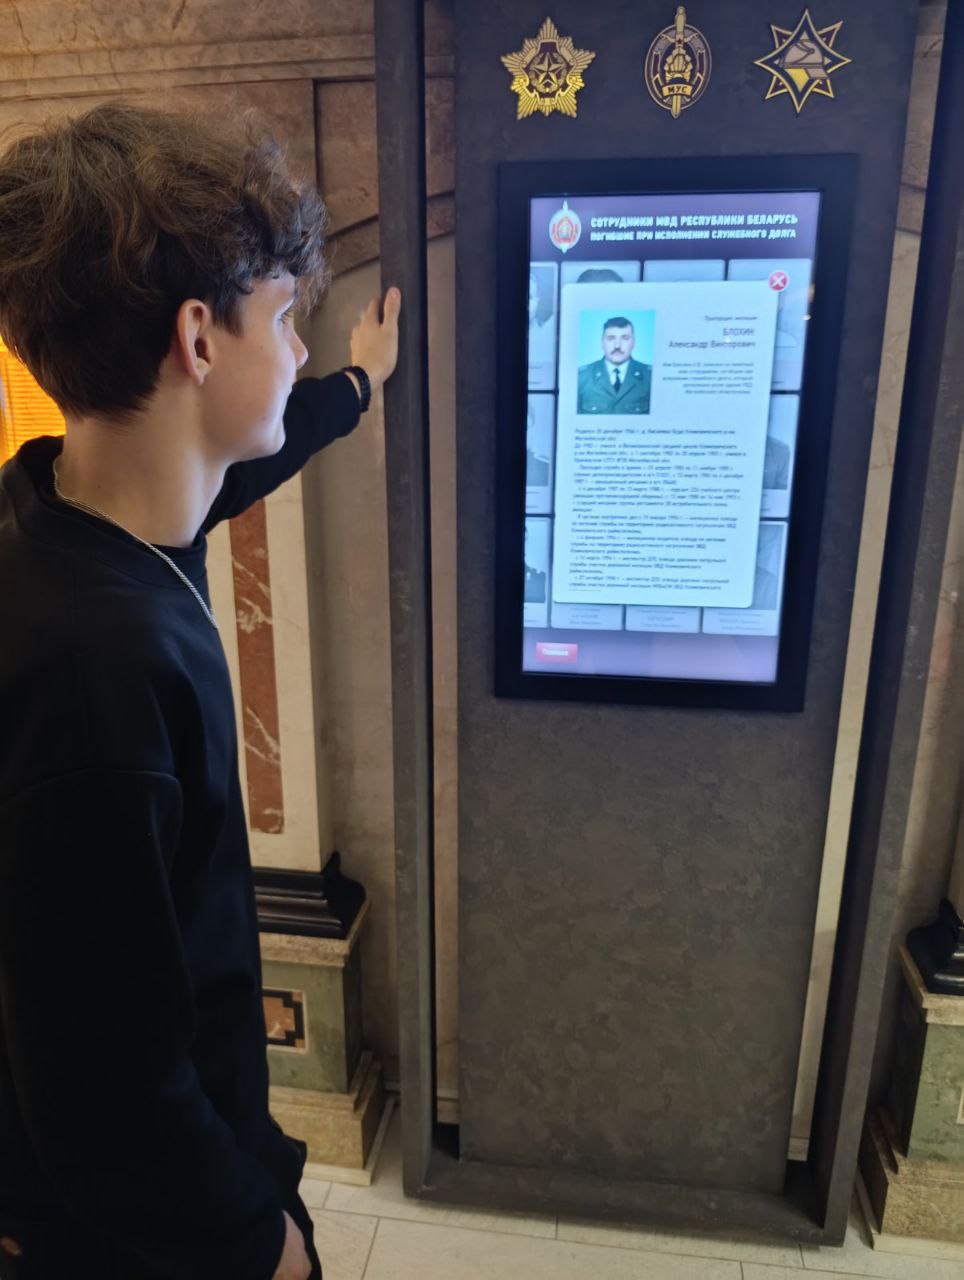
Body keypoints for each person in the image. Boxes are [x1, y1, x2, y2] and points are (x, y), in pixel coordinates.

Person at [0, 103, 400, 1280]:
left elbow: (241, 462)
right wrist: (265, 1245)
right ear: (197, 339)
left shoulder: (63, 508)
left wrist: (358, 386)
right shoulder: (95, 673)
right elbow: (104, 1097)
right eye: (283, 318)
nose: (296, 350)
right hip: (134, 1239)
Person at [577, 316, 651, 414]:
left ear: (633, 343)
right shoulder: (581, 378)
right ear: (602, 343)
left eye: (625, 338)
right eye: (610, 338)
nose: (617, 346)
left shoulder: (650, 377)